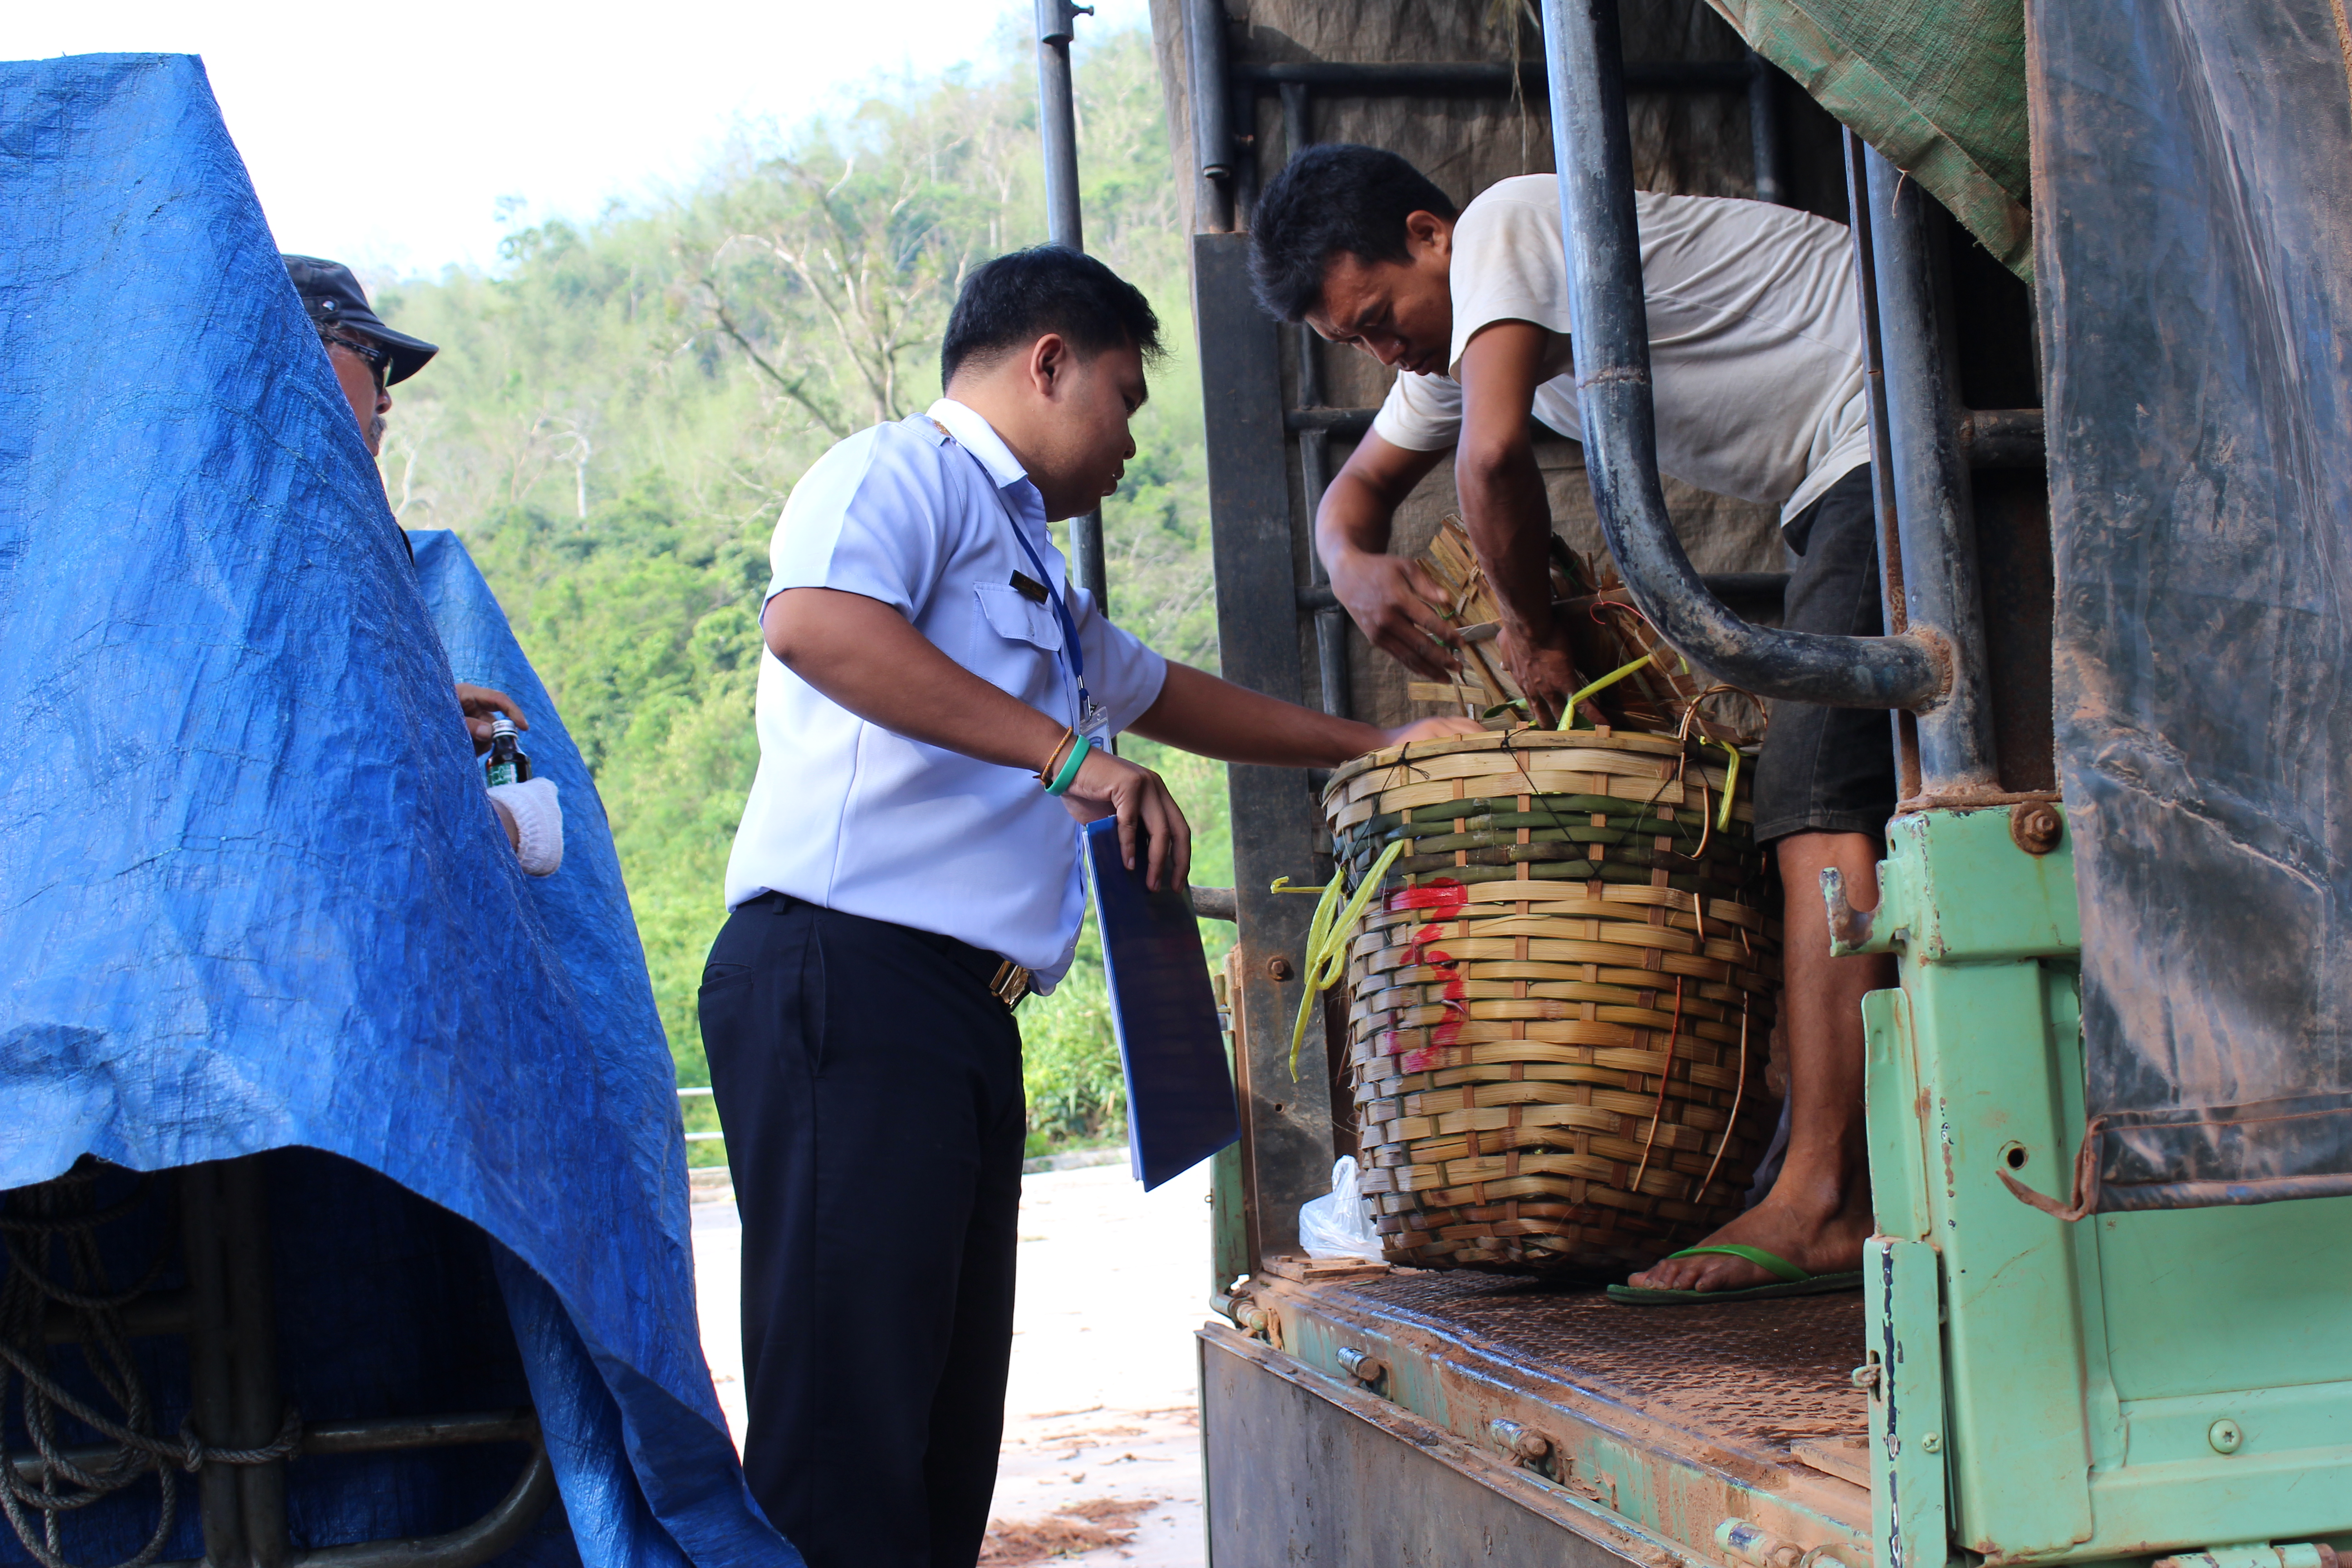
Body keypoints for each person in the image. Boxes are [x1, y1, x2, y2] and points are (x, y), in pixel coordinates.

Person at [699, 245, 1480, 1568]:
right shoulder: (896, 472)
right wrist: (1071, 759)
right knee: (847, 1432)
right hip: (847, 979)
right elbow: (816, 626)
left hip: (957, 1010)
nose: (1128, 441)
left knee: (941, 1435)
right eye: (1123, 398)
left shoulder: (1031, 570)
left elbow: (1164, 692)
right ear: (1049, 363)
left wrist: (1377, 748)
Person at [1247, 145, 1897, 1301]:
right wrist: (1349, 565)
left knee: (1813, 802)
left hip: (1892, 435)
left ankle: (1826, 1198)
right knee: (1827, 794)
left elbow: (1494, 457)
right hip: (1840, 482)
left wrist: (1530, 633)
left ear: (1429, 235)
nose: (1387, 354)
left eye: (1381, 319)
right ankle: (1826, 1173)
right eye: (1357, 345)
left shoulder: (1506, 224)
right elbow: (1354, 498)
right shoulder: (1457, 332)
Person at [284, 255, 560, 873]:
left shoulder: (340, 521)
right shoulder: (280, 528)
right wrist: (516, 823)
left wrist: (425, 716)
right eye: (374, 361)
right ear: (298, 347)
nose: (386, 398)